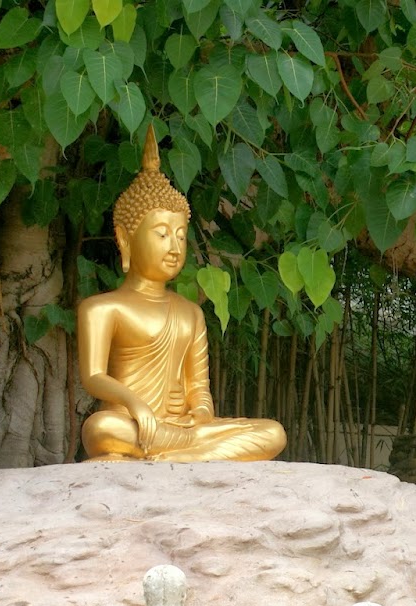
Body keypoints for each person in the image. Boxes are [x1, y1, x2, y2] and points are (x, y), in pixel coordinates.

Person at [77, 129, 285, 461]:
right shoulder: (103, 308)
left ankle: (182, 454)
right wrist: (134, 403)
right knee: (100, 428)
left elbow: (198, 389)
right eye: (161, 234)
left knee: (273, 432)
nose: (174, 247)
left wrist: (199, 413)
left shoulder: (190, 313)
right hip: (130, 423)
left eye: (181, 235)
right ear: (125, 239)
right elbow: (93, 376)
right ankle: (196, 453)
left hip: (182, 430)